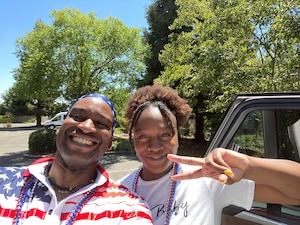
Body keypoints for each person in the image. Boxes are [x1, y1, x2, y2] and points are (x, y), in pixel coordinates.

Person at [118, 83, 300, 225]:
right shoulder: (117, 191)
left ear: (178, 137)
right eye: (143, 136)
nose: (155, 146)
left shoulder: (207, 178)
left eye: (165, 134)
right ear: (133, 139)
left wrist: (248, 166)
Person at [0, 93, 153, 225]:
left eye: (101, 123)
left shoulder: (130, 209)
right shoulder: (4, 181)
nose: (86, 127)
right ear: (60, 127)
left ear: (110, 143)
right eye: (78, 116)